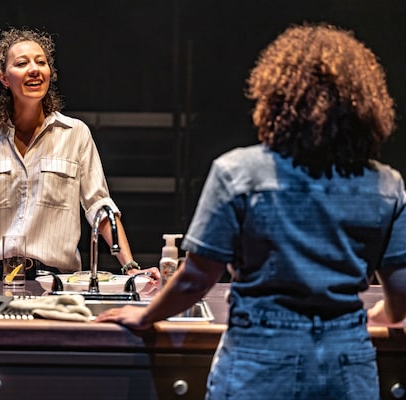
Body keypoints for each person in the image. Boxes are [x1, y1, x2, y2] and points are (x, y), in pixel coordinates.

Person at [96, 23, 406, 399]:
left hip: (259, 360)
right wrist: (384, 316)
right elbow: (400, 289)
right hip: (347, 363)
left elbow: (197, 278)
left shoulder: (238, 172)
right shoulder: (386, 184)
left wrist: (146, 315)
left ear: (275, 98)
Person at [0, 27, 158, 282]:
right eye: (22, 63)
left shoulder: (75, 133)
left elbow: (100, 207)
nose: (34, 69)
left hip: (54, 282)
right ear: (3, 77)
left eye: (41, 62)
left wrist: (130, 266)